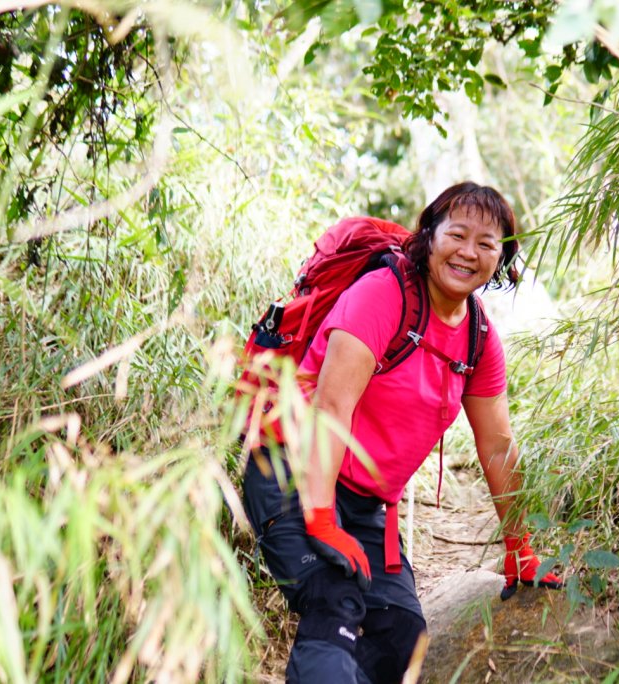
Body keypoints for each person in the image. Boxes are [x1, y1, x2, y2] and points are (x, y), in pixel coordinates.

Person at [241, 182, 562, 684]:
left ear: (502, 256)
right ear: (429, 236)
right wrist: (322, 519)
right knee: (334, 600)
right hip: (291, 473)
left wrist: (519, 542)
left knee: (403, 639)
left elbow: (497, 443)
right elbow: (331, 407)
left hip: (367, 506)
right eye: (457, 235)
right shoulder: (381, 295)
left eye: (486, 243)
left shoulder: (479, 338)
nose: (468, 252)